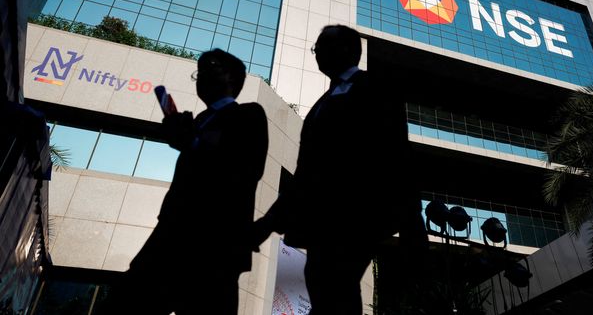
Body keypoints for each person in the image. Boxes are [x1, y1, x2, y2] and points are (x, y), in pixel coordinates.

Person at [252, 24, 426, 315]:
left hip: (358, 213)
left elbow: (397, 154)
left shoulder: (377, 88)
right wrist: (269, 222)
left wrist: (412, 221)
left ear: (346, 49)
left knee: (334, 285)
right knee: (325, 287)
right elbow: (306, 173)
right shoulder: (320, 105)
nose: (316, 53)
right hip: (323, 220)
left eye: (321, 46)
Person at [103, 49, 269, 315]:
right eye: (199, 71)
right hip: (170, 234)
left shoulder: (249, 115)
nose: (202, 76)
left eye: (210, 68)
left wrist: (191, 142)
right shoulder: (199, 120)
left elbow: (245, 171)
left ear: (232, 78)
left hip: (215, 245)